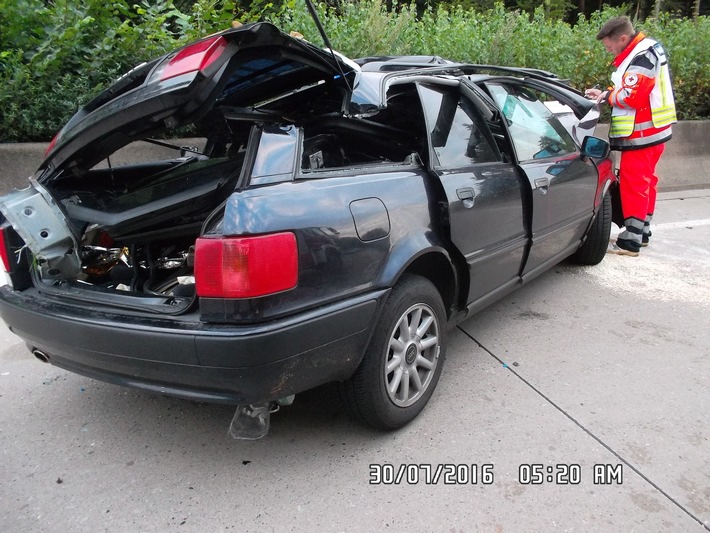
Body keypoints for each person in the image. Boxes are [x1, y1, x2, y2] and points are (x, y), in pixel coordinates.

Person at [585, 16, 677, 257]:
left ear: (623, 39)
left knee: (634, 183)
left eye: (609, 46)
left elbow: (632, 97)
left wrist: (605, 97)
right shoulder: (646, 49)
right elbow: (633, 89)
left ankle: (630, 241)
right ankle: (642, 232)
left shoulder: (641, 56)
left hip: (642, 133)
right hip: (655, 130)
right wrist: (606, 92)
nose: (608, 51)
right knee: (646, 181)